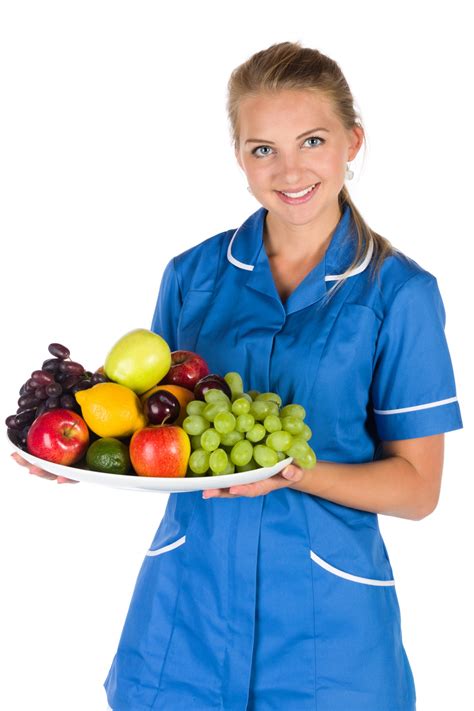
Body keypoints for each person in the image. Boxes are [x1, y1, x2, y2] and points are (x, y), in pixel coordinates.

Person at [13, 41, 463, 710]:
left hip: (326, 638)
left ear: (352, 141)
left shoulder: (399, 295)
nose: (289, 170)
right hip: (184, 620)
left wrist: (292, 471)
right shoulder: (192, 276)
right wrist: (75, 451)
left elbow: (418, 489)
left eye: (312, 140)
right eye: (263, 149)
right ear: (239, 156)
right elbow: (150, 422)